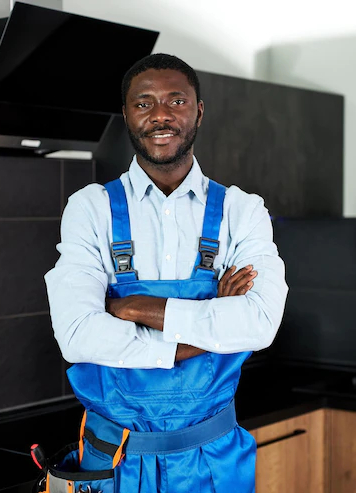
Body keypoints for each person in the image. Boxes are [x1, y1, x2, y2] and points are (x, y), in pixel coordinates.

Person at [44, 53, 288, 493]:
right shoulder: (90, 208)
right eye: (144, 103)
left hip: (213, 464)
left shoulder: (242, 211)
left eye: (176, 101)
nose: (160, 115)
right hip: (112, 466)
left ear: (198, 111)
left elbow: (260, 324)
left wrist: (135, 308)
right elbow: (77, 334)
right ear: (126, 115)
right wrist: (209, 324)